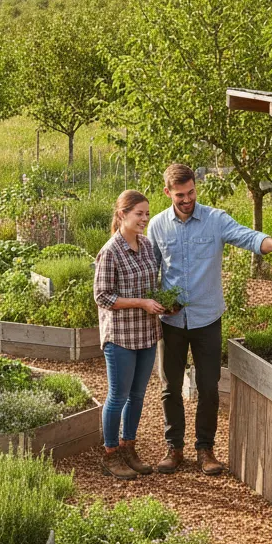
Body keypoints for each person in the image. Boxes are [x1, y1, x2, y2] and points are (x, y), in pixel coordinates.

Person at [148, 163, 272, 476]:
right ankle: (174, 447)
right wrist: (157, 302)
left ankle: (205, 449)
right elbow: (148, 268)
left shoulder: (215, 220)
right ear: (168, 193)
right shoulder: (157, 226)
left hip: (207, 319)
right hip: (171, 323)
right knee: (170, 386)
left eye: (191, 192)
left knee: (208, 387)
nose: (187, 199)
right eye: (180, 195)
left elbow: (246, 237)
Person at [93, 189, 165, 481]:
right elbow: (102, 296)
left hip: (146, 333)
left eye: (147, 214)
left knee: (137, 396)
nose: (145, 219)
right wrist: (142, 303)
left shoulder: (147, 246)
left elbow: (152, 284)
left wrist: (163, 302)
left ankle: (129, 447)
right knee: (118, 396)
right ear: (122, 215)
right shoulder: (110, 251)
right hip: (121, 336)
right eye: (139, 214)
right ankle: (110, 454)